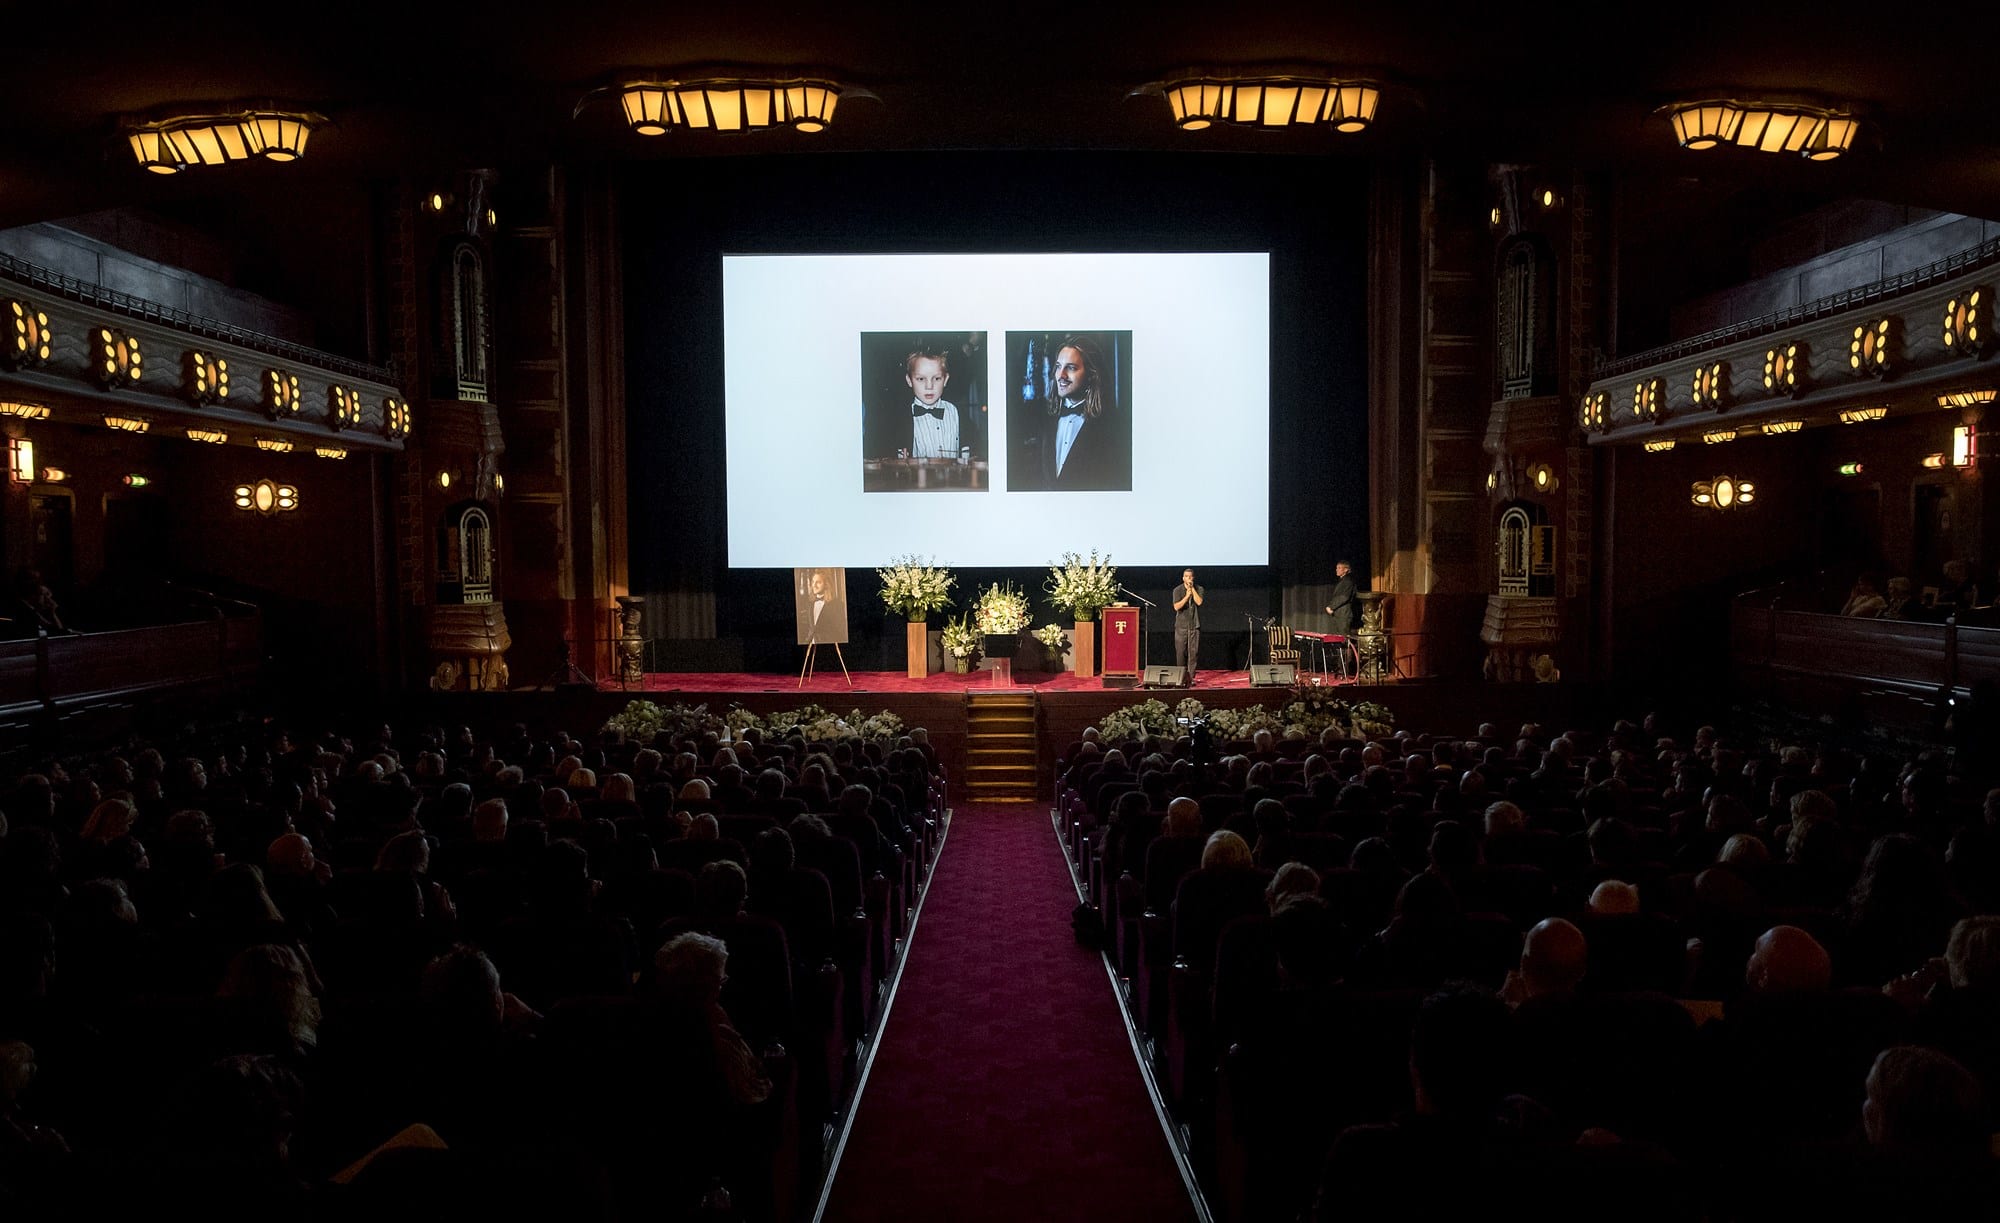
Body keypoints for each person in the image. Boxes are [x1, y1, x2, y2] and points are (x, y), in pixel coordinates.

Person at [1034, 334, 1131, 491]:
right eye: (1058, 366)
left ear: (1092, 375)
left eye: (1071, 368)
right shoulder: (1045, 420)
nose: (1061, 376)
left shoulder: (1111, 428)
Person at [903, 345, 960, 459]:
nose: (929, 386)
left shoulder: (956, 412)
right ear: (909, 381)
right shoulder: (901, 418)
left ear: (945, 379)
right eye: (921, 379)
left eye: (937, 378)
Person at [796, 568, 846, 645]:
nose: (814, 585)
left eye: (818, 582)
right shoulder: (810, 604)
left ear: (826, 584)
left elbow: (840, 632)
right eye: (813, 582)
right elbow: (810, 629)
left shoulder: (837, 604)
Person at [1172, 567, 1203, 686]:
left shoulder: (1199, 589)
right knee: (1181, 652)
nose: (1188, 579)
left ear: (1193, 578)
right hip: (1181, 626)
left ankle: (1191, 677)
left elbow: (1199, 602)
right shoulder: (1177, 590)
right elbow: (1176, 607)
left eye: (1190, 577)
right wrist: (1186, 596)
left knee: (1193, 653)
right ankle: (1181, 676)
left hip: (1194, 625)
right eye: (1186, 577)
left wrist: (1192, 590)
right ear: (1183, 578)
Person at [1323, 560, 1358, 636]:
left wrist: (1331, 607)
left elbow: (1344, 597)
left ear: (1346, 570)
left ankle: (1346, 648)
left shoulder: (1348, 581)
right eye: (1336, 568)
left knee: (1343, 637)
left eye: (1339, 568)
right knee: (1338, 636)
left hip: (1344, 614)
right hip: (1339, 613)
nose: (1337, 570)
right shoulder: (1342, 581)